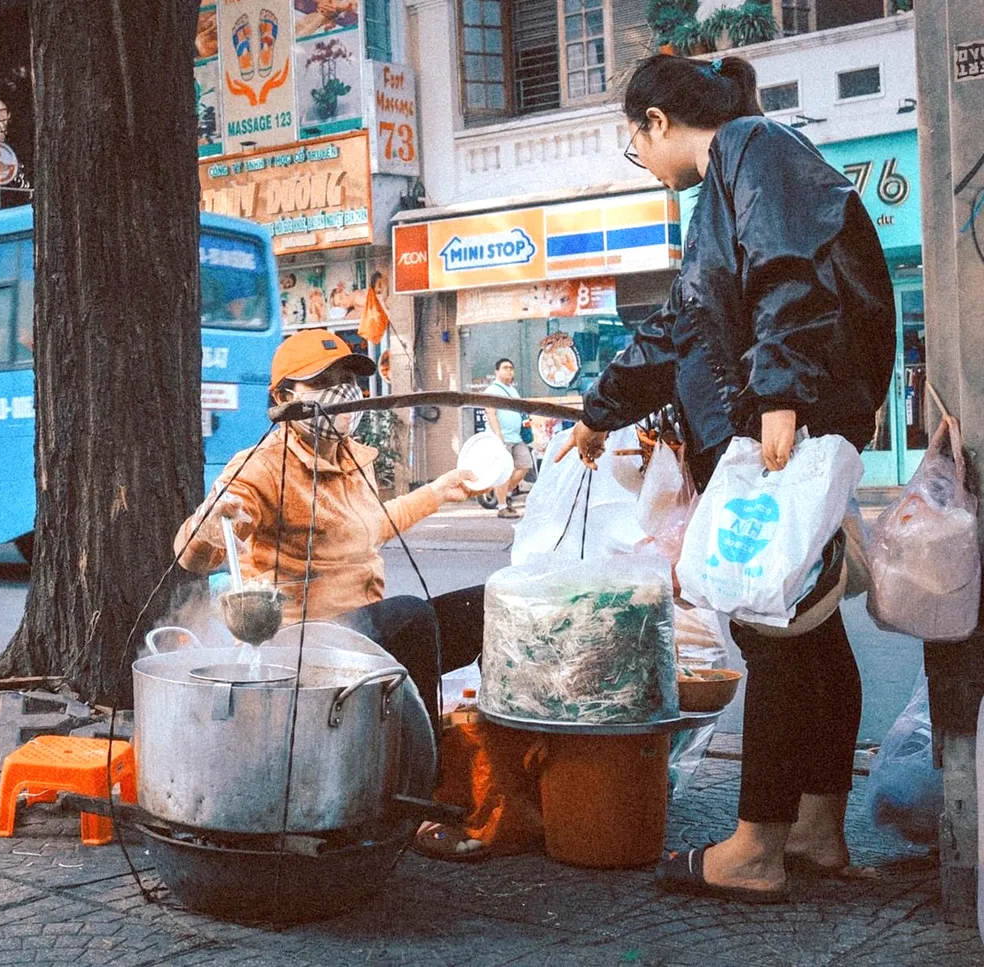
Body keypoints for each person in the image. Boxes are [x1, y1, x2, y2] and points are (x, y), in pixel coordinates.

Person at [557, 55, 895, 901]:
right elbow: (679, 326)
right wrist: (601, 410)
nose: (642, 158)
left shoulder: (750, 146)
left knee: (772, 634)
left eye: (635, 144)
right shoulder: (722, 189)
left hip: (789, 427)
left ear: (657, 122)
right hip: (788, 429)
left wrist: (778, 393)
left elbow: (788, 266)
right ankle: (815, 832)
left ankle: (753, 848)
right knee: (807, 629)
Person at [174, 328, 486, 740]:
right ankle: (419, 772)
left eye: (346, 382)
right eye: (320, 384)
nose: (340, 395)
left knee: (487, 605)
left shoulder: (354, 457)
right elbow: (193, 556)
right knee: (411, 616)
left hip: (364, 632)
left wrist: (438, 492)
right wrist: (215, 520)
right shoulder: (261, 466)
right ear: (284, 399)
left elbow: (369, 526)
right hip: (300, 644)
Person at [483, 359, 532, 519]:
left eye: (511, 368)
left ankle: (504, 493)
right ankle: (502, 506)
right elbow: (491, 413)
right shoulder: (492, 389)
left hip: (517, 437)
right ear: (496, 371)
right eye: (505, 368)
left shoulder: (513, 390)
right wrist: (499, 435)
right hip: (502, 438)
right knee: (504, 471)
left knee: (525, 465)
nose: (509, 371)